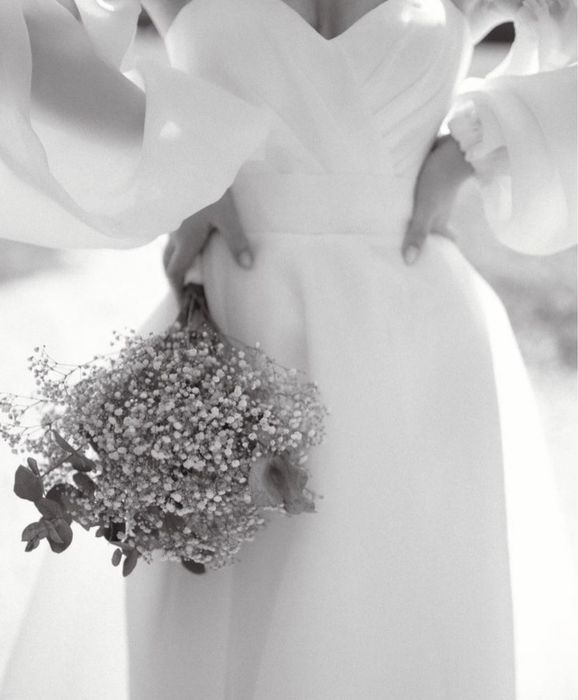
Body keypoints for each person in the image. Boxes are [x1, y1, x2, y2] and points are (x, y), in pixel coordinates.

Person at [0, 1, 576, 698]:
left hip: (421, 345)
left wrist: (475, 146)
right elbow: (24, 37)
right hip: (234, 336)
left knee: (411, 607)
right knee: (222, 623)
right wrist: (177, 164)